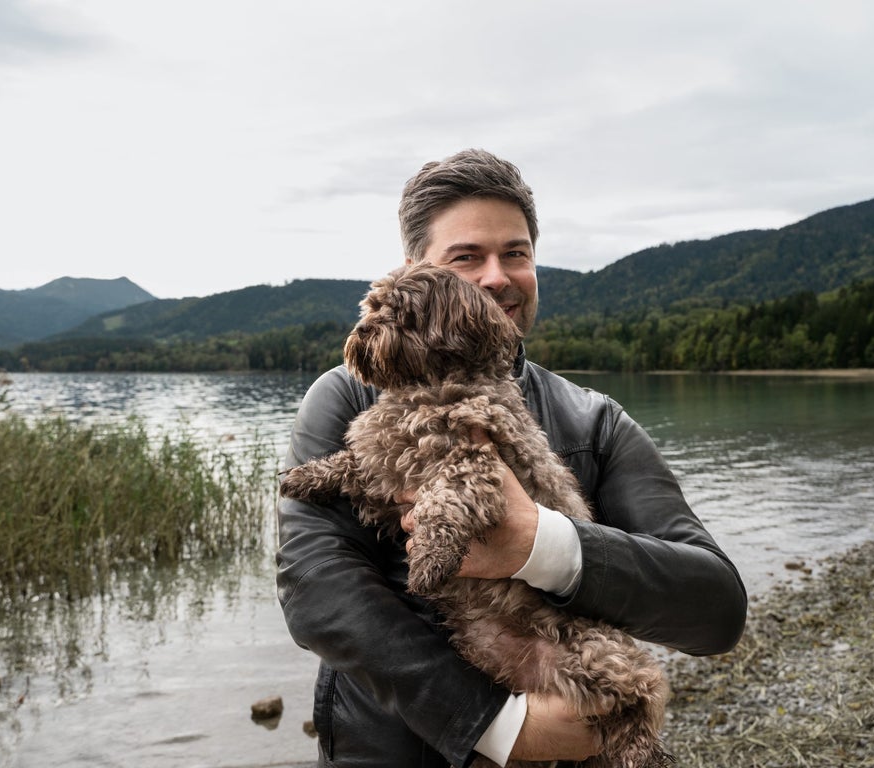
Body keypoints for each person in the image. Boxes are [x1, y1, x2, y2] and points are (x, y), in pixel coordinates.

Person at [276, 149, 747, 767]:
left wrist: (544, 545)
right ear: (416, 272)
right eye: (466, 256)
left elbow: (715, 607)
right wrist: (497, 726)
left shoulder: (595, 421)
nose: (497, 277)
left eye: (516, 253)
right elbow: (316, 586)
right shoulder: (343, 396)